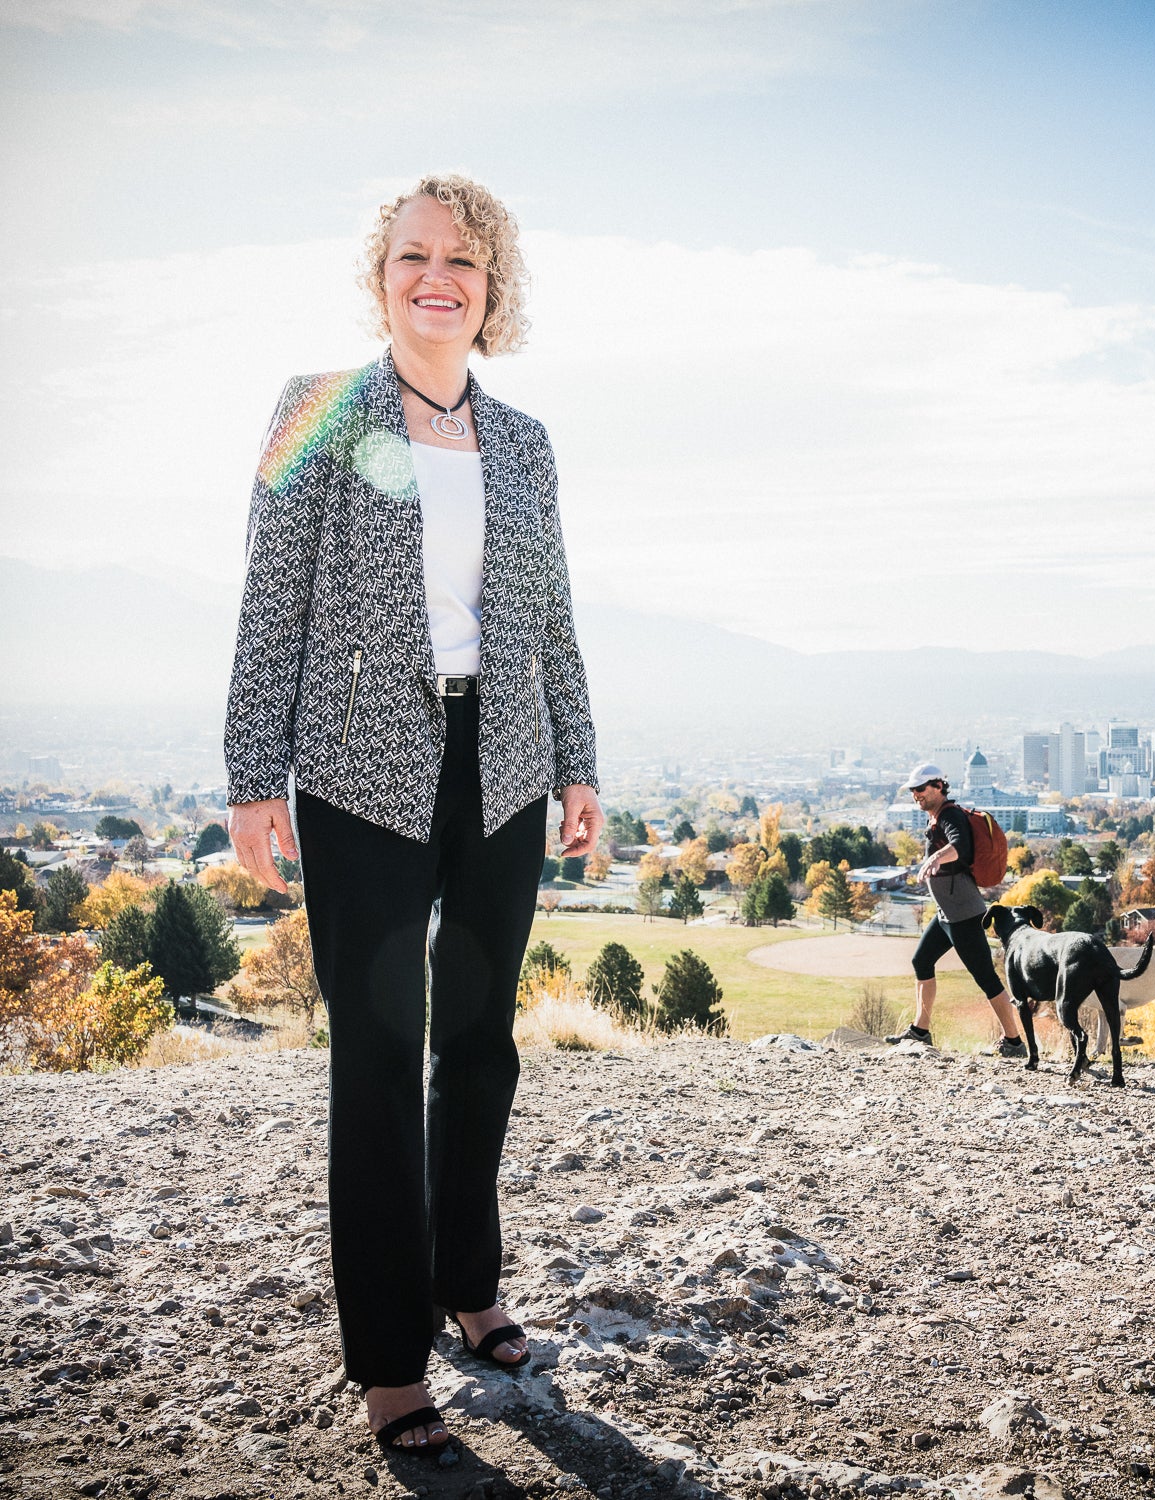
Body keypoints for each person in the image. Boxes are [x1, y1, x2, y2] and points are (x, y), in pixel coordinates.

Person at [225, 174, 602, 1455]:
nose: (436, 277)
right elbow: (271, 602)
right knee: (379, 1059)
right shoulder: (316, 413)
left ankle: (467, 1281)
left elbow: (549, 619)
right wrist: (250, 777)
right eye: (412, 256)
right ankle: (389, 1361)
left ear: (494, 290)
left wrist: (581, 764)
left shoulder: (529, 443)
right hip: (356, 770)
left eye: (463, 260)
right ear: (379, 275)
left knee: (483, 1039)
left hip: (502, 762)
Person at [886, 763, 1027, 1054]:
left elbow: (961, 846)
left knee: (985, 976)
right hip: (946, 913)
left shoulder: (950, 814)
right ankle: (920, 1031)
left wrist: (938, 855)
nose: (916, 795)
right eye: (913, 790)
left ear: (938, 786)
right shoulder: (937, 817)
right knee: (921, 962)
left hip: (964, 914)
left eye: (921, 788)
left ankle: (1014, 1042)